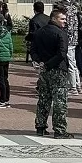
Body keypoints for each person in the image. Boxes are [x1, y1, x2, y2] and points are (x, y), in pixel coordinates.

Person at [32, 9, 71, 139]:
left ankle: (40, 126)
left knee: (44, 98)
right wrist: (48, 64)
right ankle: (59, 130)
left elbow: (33, 50)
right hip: (58, 69)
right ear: (54, 19)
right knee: (59, 100)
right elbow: (62, 53)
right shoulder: (61, 33)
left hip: (44, 70)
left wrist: (40, 62)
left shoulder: (39, 32)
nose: (65, 21)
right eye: (62, 19)